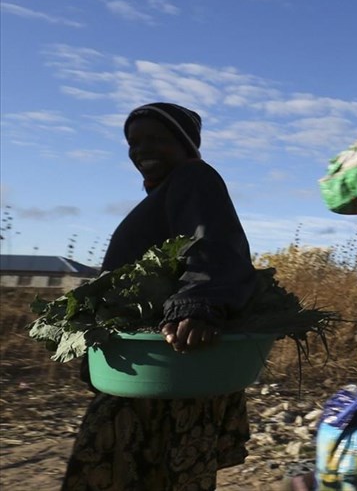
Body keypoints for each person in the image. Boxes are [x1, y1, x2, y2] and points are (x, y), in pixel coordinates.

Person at [63, 102, 257, 491]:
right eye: (134, 142)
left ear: (185, 145)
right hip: (147, 367)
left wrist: (198, 303)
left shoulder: (195, 177)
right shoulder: (164, 196)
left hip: (170, 364)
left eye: (157, 139)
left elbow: (214, 244)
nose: (141, 150)